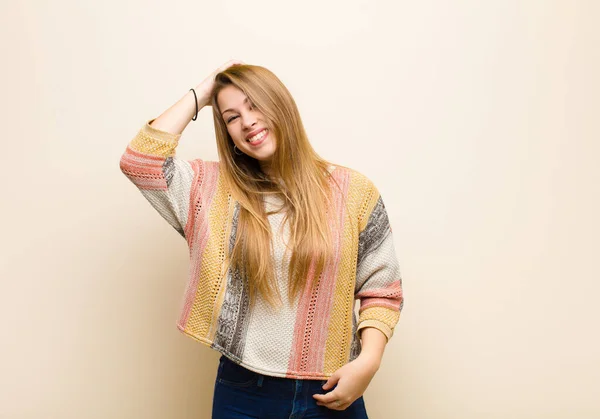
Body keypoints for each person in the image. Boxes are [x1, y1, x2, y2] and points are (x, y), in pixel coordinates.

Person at [119, 60, 404, 418]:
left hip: (334, 391)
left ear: (281, 105)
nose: (247, 121)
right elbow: (140, 161)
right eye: (232, 117)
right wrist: (206, 90)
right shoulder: (213, 190)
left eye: (255, 104)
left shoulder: (353, 191)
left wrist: (369, 363)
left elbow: (383, 289)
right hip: (245, 395)